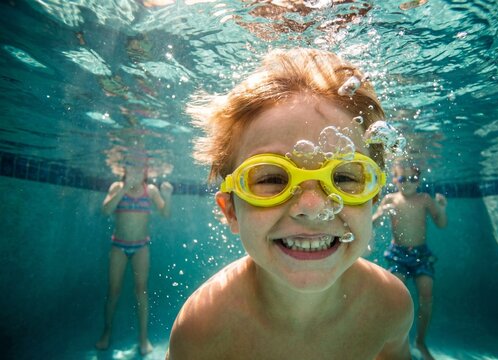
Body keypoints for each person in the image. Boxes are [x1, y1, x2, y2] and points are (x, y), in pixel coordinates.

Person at [167, 48, 414, 360]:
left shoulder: (390, 306)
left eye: (343, 178)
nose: (312, 206)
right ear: (230, 210)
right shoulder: (203, 327)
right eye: (272, 179)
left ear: (373, 197)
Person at [96, 163, 173, 355]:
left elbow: (165, 213)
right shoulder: (116, 187)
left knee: (141, 291)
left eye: (140, 169)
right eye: (132, 169)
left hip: (141, 247)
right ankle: (107, 332)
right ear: (125, 171)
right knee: (113, 291)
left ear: (146, 172)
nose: (136, 173)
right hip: (119, 246)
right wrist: (123, 188)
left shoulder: (151, 190)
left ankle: (143, 337)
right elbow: (105, 210)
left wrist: (168, 197)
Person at [372, 162, 447, 360]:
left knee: (427, 296)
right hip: (398, 254)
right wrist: (380, 213)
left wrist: (440, 208)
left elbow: (441, 224)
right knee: (394, 296)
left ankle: (420, 342)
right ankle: (396, 344)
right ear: (394, 179)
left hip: (421, 255)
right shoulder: (390, 199)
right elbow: (373, 224)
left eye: (412, 179)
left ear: (419, 180)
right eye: (402, 178)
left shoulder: (424, 199)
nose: (407, 183)